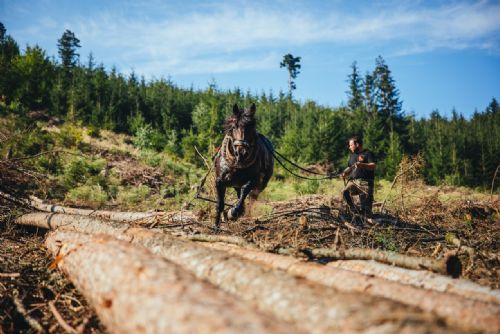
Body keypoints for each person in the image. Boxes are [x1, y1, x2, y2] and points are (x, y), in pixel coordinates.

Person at [341, 136, 376, 216]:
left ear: (357, 144)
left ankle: (367, 219)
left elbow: (373, 166)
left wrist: (362, 165)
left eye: (350, 145)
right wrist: (344, 173)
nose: (349, 147)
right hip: (354, 182)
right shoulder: (352, 156)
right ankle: (353, 209)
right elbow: (350, 167)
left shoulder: (368, 153)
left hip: (366, 183)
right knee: (345, 192)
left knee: (366, 210)